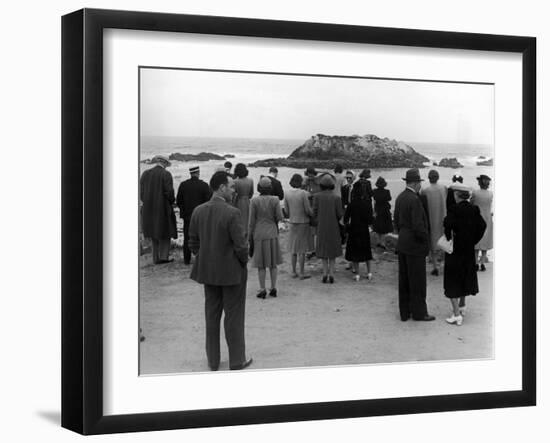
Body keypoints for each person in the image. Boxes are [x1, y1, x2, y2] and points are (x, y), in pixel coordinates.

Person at [188, 171, 252, 371]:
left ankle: (213, 361)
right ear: (222, 187)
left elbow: (193, 243)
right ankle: (236, 360)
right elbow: (241, 246)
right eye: (231, 186)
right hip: (232, 273)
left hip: (208, 272)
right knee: (234, 316)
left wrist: (206, 257)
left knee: (211, 316)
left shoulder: (198, 211)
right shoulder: (232, 213)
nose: (234, 190)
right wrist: (242, 262)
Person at [393, 168, 435, 321]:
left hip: (403, 242)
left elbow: (396, 221)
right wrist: (425, 242)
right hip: (415, 245)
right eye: (419, 183)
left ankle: (405, 312)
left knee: (404, 280)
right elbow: (419, 226)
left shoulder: (400, 198)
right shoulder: (415, 200)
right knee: (417, 281)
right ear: (416, 183)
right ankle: (419, 313)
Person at [443, 184, 487, 325]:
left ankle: (456, 315)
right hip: (468, 249)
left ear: (457, 195)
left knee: (452, 279)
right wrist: (473, 240)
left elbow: (447, 225)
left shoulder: (453, 209)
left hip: (455, 249)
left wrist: (449, 238)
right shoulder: (474, 209)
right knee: (464, 276)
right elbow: (482, 225)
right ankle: (462, 306)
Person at [249, 177, 284, 298]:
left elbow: (251, 221)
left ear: (259, 188)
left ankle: (262, 288)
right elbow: (280, 217)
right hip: (272, 232)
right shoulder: (275, 199)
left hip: (259, 233)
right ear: (270, 187)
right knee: (273, 263)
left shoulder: (254, 201)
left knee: (261, 264)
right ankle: (273, 287)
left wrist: (250, 236)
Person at [140, 155, 177, 264]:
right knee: (165, 233)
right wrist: (171, 202)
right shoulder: (166, 174)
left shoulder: (145, 174)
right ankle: (163, 257)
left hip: (148, 208)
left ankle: (155, 258)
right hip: (162, 208)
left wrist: (147, 202)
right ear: (165, 163)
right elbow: (169, 193)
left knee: (153, 233)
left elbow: (141, 193)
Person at [176, 166, 212, 265]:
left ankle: (186, 259)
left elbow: (179, 201)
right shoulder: (204, 185)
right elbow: (208, 202)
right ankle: (200, 258)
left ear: (190, 173)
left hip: (187, 216)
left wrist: (183, 212)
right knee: (201, 237)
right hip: (201, 216)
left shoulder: (183, 185)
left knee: (187, 237)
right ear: (198, 173)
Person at [313, 174, 344, 283]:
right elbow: (340, 214)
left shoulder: (316, 196)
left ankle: (324, 273)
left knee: (323, 250)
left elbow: (314, 212)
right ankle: (331, 274)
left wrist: (318, 220)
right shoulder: (337, 198)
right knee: (332, 250)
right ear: (332, 185)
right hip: (333, 226)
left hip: (321, 226)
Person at [283, 174, 313, 279]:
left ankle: (293, 271)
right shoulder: (303, 194)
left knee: (293, 249)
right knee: (302, 250)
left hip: (292, 222)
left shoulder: (286, 193)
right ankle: (301, 272)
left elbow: (286, 211)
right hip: (303, 222)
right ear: (300, 182)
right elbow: (308, 209)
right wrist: (313, 214)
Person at [344, 179, 374, 281]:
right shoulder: (367, 204)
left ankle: (357, 274)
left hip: (354, 229)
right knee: (367, 252)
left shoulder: (351, 205)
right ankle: (369, 272)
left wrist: (347, 227)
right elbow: (370, 220)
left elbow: (345, 219)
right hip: (364, 229)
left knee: (355, 253)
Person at [421, 169, 447, 276]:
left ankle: (435, 266)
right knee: (444, 242)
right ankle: (444, 265)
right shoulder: (444, 188)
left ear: (429, 178)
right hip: (443, 218)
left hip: (431, 218)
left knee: (433, 242)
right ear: (438, 177)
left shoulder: (425, 191)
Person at [471, 175, 493, 271]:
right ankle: (482, 263)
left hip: (477, 219)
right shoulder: (490, 194)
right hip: (487, 218)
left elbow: (472, 203)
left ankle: (475, 263)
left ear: (480, 183)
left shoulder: (475, 193)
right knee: (485, 242)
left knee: (477, 242)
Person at [233, 163, 254, 238]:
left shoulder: (235, 181)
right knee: (247, 219)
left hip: (238, 201)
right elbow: (251, 193)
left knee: (239, 219)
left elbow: (233, 194)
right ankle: (247, 235)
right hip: (247, 201)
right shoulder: (250, 180)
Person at [372, 176, 393, 246]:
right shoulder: (387, 191)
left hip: (377, 210)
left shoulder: (374, 191)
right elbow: (389, 199)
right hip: (385, 211)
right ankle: (383, 243)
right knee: (384, 228)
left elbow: (374, 199)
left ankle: (378, 241)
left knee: (377, 227)